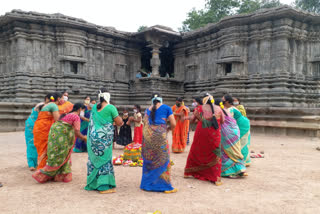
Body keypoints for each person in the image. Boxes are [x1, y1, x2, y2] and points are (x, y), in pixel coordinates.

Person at [32, 103, 87, 183]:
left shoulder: (66, 114)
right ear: (79, 109)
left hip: (54, 133)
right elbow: (77, 131)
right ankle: (42, 174)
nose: (83, 112)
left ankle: (60, 175)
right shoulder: (76, 116)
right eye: (83, 110)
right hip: (61, 137)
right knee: (60, 156)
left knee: (59, 154)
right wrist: (84, 138)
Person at [85, 89, 123, 194]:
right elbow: (119, 122)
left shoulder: (94, 108)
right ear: (108, 97)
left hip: (93, 138)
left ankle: (93, 183)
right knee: (105, 159)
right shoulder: (111, 107)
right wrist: (121, 120)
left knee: (94, 159)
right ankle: (103, 186)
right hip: (104, 140)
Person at [184, 93, 225, 185]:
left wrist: (199, 118)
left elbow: (192, 121)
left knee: (197, 150)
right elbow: (222, 121)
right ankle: (215, 178)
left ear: (203, 101)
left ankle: (190, 172)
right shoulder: (219, 109)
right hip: (214, 134)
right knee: (214, 153)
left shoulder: (199, 108)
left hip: (201, 133)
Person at [140, 93, 177, 193]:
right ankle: (163, 185)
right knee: (163, 159)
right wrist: (168, 129)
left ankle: (146, 184)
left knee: (150, 159)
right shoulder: (166, 107)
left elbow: (145, 123)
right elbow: (173, 123)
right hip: (160, 137)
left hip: (149, 138)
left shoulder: (147, 109)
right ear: (161, 99)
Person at [215, 98, 247, 177]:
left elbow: (221, 121)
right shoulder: (226, 110)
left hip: (228, 133)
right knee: (235, 151)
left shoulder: (219, 111)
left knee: (226, 151)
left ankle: (229, 171)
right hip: (235, 131)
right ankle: (240, 169)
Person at [33, 92, 61, 170]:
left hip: (38, 128)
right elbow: (57, 120)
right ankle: (43, 170)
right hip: (44, 129)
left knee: (41, 149)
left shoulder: (45, 105)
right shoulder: (53, 105)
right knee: (46, 149)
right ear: (58, 99)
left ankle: (41, 167)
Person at [24, 93, 51, 171]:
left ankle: (37, 161)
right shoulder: (42, 105)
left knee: (40, 144)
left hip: (38, 125)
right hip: (33, 125)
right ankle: (31, 163)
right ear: (46, 99)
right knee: (32, 143)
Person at [223, 95, 251, 166]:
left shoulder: (231, 109)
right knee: (242, 142)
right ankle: (245, 160)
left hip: (242, 124)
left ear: (227, 102)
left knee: (242, 142)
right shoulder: (231, 108)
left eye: (223, 100)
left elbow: (229, 119)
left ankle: (243, 161)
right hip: (242, 123)